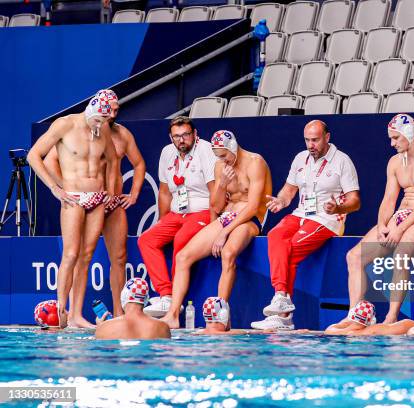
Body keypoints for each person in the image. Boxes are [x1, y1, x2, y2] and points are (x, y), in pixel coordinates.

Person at [331, 114, 414, 330]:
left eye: (396, 138)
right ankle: (355, 314)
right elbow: (388, 201)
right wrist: (383, 226)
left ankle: (391, 316)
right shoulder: (395, 163)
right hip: (401, 217)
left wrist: (399, 229)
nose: (392, 144)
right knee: (354, 256)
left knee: (401, 254)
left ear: (409, 134)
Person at [44, 90, 146, 318]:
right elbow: (50, 160)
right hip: (81, 197)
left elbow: (138, 164)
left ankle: (120, 313)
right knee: (74, 255)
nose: (112, 113)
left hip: (110, 201)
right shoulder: (78, 128)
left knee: (119, 257)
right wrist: (65, 187)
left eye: (116, 110)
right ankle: (69, 313)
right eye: (108, 109)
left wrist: (132, 194)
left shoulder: (120, 135)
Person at [251, 120, 361, 331]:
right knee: (275, 235)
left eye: (315, 140)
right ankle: (281, 298)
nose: (311, 145)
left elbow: (355, 201)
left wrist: (337, 208)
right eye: (307, 140)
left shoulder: (342, 161)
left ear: (327, 137)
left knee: (289, 248)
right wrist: (280, 201)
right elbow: (289, 190)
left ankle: (283, 315)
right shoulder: (300, 158)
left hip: (326, 219)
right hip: (300, 214)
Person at [161, 130, 272, 329]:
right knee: (183, 257)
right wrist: (222, 185)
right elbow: (217, 206)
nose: (222, 161)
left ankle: (221, 317)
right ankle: (173, 315)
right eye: (218, 156)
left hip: (250, 218)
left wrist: (224, 232)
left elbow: (254, 206)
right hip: (227, 217)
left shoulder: (255, 163)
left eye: (224, 155)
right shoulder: (221, 166)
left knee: (228, 253)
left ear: (233, 148)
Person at [28, 94, 118, 328]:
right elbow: (33, 156)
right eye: (98, 120)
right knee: (70, 255)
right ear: (90, 111)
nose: (100, 125)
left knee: (87, 256)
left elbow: (112, 159)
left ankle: (77, 315)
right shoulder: (65, 125)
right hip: (74, 198)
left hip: (97, 198)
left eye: (105, 121)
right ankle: (60, 312)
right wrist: (55, 187)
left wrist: (108, 189)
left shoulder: (104, 129)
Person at [137, 116, 216, 317]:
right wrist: (162, 221)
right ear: (171, 137)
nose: (182, 140)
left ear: (195, 134)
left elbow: (215, 190)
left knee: (181, 238)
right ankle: (166, 295)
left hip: (202, 210)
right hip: (176, 213)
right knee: (147, 239)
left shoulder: (206, 150)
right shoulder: (167, 152)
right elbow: (164, 192)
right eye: (177, 136)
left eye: (186, 135)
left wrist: (215, 226)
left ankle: (175, 301)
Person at [95, 278, 171, 339]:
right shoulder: (163, 327)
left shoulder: (104, 328)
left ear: (123, 295)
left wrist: (100, 326)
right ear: (146, 299)